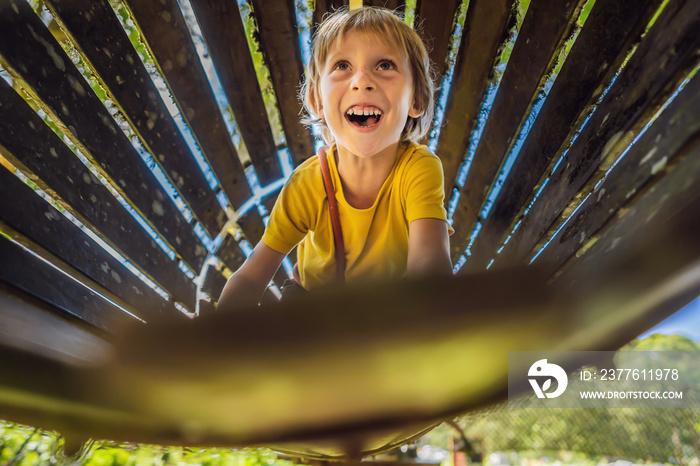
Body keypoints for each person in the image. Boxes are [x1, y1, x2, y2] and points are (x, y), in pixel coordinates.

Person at [218, 6, 453, 311]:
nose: (362, 81)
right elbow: (251, 279)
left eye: (384, 65)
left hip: (387, 309)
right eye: (343, 65)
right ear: (316, 100)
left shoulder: (419, 169)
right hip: (309, 307)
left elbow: (429, 264)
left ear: (416, 99)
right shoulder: (307, 184)